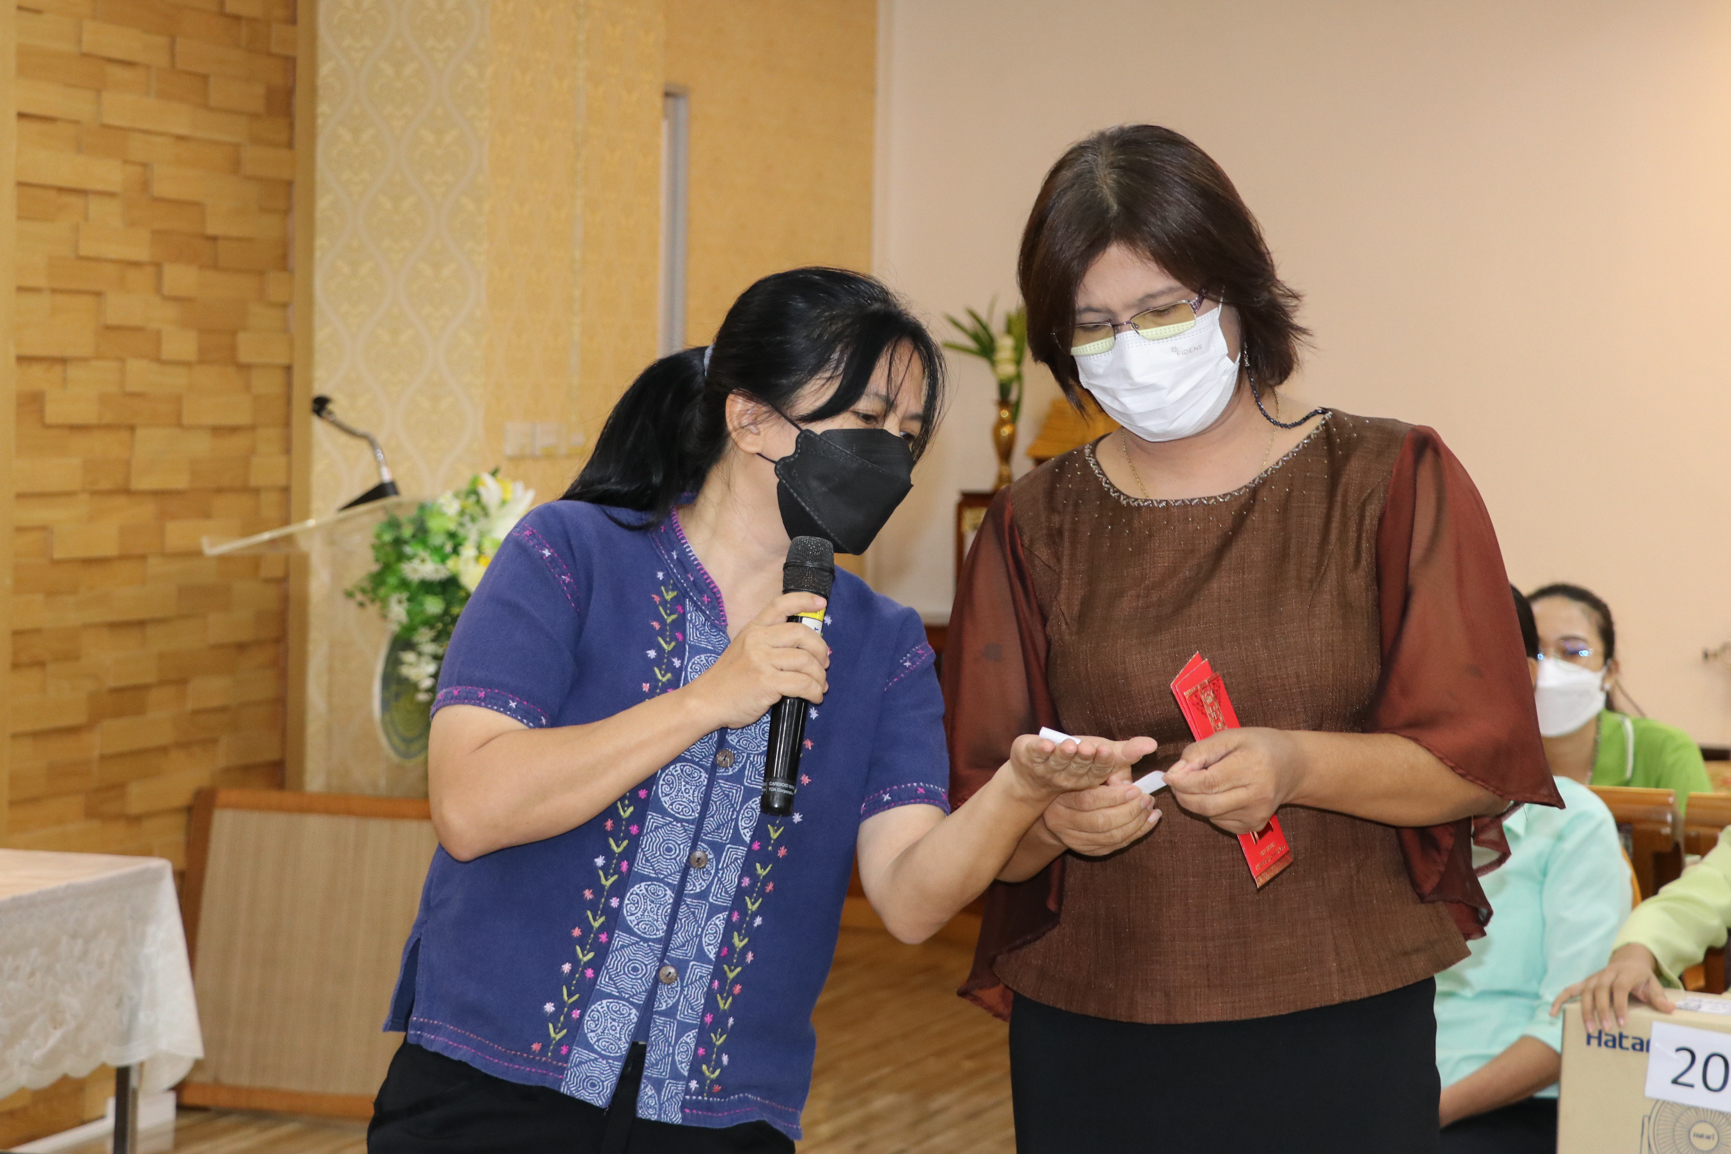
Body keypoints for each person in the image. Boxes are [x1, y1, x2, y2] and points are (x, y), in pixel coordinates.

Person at [367, 268, 1152, 1153]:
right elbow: (470, 807)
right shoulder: (569, 552)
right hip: (490, 1082)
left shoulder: (884, 642)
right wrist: (705, 700)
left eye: (907, 434)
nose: (890, 455)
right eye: (867, 419)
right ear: (748, 419)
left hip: (722, 1113)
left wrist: (1018, 791)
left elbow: (907, 900)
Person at [945, 124, 1559, 1153]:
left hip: (1335, 1014)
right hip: (1097, 1021)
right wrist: (1056, 821)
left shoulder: (1385, 480)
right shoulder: (1033, 524)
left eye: (1162, 310)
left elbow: (1476, 758)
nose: (1131, 349)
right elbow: (979, 802)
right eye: (1093, 327)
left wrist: (1296, 762)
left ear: (1238, 294)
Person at [1433, 587, 1631, 1153]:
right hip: (1385, 1091)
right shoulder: (1387, 820)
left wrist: (1426, 1114)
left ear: (1521, 677)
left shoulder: (1571, 822)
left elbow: (1570, 1023)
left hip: (1508, 1104)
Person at [1528, 583, 1710, 813]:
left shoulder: (1666, 750)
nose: (1547, 670)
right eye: (1532, 651)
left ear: (1610, 672)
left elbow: (1705, 836)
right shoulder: (1491, 757)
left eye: (1573, 652)